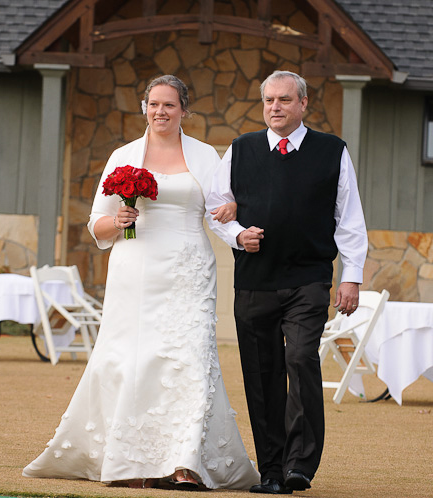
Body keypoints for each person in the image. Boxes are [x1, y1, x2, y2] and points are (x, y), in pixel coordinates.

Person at [23, 75, 259, 491]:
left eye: (170, 105)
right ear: (144, 107)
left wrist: (238, 227)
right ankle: (129, 459)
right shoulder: (123, 156)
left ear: (185, 110)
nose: (160, 112)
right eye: (154, 104)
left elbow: (220, 212)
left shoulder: (206, 156)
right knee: (130, 359)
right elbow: (96, 222)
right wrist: (117, 221)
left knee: (188, 359)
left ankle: (184, 462)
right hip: (134, 267)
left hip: (187, 268)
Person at [206, 70, 368, 495]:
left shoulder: (332, 151)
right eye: (269, 101)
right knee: (261, 376)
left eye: (284, 99)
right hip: (255, 281)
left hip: (308, 280)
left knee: (299, 359)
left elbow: (349, 221)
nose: (275, 107)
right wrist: (237, 235)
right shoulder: (241, 150)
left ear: (303, 104)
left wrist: (351, 278)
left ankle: (300, 465)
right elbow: (215, 205)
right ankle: (272, 472)